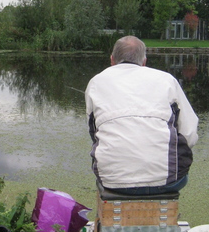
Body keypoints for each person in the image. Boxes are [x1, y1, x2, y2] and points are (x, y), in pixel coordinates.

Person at [85, 35, 198, 196]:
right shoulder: (167, 80)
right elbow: (190, 133)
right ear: (144, 62)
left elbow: (94, 131)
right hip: (168, 180)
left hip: (112, 181)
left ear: (112, 60)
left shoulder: (96, 82)